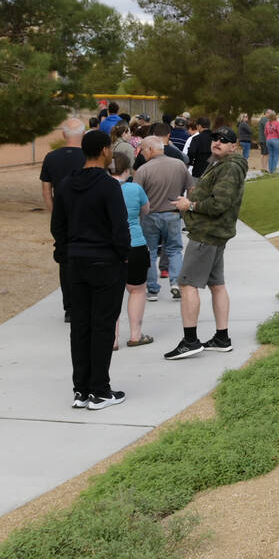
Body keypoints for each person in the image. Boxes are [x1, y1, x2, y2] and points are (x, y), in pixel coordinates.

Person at [50, 129, 130, 409]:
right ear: (105, 151)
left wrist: (64, 252)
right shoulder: (109, 186)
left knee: (80, 326)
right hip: (105, 262)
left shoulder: (65, 185)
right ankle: (100, 390)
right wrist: (123, 257)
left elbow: (57, 226)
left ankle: (81, 389)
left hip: (75, 263)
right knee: (103, 326)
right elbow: (120, 228)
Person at [163, 126, 248, 360]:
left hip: (207, 234)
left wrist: (188, 206)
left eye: (224, 140)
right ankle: (222, 338)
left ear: (234, 146)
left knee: (187, 283)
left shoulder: (230, 167)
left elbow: (219, 203)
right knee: (216, 284)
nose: (217, 142)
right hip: (214, 233)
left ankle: (190, 341)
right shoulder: (221, 163)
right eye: (215, 138)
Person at [136, 135, 193, 303]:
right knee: (174, 250)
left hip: (150, 215)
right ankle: (176, 283)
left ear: (151, 150)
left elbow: (137, 195)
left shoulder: (143, 170)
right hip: (173, 214)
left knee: (150, 252)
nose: (141, 154)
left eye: (143, 150)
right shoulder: (179, 165)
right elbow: (191, 188)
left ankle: (152, 289)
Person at [41, 118, 86, 322]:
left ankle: (69, 305)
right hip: (86, 214)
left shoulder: (51, 157)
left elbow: (46, 190)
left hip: (62, 216)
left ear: (63, 134)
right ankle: (84, 300)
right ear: (83, 135)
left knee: (64, 259)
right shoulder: (88, 157)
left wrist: (54, 212)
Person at [111, 152, 152, 348]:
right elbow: (146, 209)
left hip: (110, 248)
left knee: (111, 293)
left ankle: (112, 338)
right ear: (127, 170)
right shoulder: (135, 189)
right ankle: (135, 334)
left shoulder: (102, 189)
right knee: (137, 290)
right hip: (135, 244)